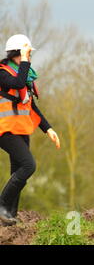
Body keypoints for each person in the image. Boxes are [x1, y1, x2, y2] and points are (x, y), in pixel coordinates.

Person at [0, 34, 60, 226]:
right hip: (5, 130)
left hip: (22, 130)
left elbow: (31, 107)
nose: (30, 56)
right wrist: (25, 59)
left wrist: (48, 129)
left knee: (18, 170)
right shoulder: (3, 73)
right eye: (27, 53)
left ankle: (9, 215)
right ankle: (1, 206)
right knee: (29, 166)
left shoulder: (25, 76)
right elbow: (16, 83)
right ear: (17, 52)